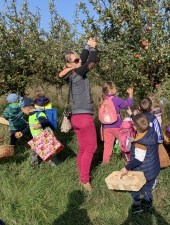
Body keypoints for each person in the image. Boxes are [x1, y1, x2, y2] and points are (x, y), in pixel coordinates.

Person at [59, 37, 98, 191]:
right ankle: (85, 180)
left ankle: (81, 177)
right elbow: (91, 62)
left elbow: (82, 59)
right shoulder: (78, 73)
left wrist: (87, 45)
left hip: (76, 117)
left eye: (77, 59)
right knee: (91, 148)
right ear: (69, 64)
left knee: (82, 149)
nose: (78, 61)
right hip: (83, 118)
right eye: (75, 60)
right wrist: (93, 48)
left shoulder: (73, 72)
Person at [120, 113, 160, 213]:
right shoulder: (152, 132)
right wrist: (133, 116)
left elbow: (138, 160)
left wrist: (127, 167)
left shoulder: (140, 143)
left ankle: (137, 206)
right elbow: (142, 123)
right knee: (147, 188)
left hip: (143, 171)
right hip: (153, 168)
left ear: (135, 127)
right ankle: (149, 204)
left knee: (135, 187)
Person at [127, 98, 163, 189]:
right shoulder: (153, 119)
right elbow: (158, 131)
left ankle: (143, 181)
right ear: (151, 108)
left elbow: (136, 120)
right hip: (152, 141)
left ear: (139, 107)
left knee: (142, 159)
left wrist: (131, 115)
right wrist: (159, 142)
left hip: (142, 140)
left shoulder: (139, 118)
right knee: (152, 159)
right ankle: (153, 182)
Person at [14, 97, 59, 167]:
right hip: (37, 138)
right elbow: (29, 127)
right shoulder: (30, 116)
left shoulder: (39, 114)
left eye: (22, 109)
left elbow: (45, 122)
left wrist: (40, 125)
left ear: (27, 108)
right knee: (34, 153)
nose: (22, 111)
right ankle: (34, 165)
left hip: (44, 138)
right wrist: (22, 132)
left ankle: (56, 166)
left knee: (50, 154)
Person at [100, 81, 133, 164]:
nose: (116, 89)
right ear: (111, 90)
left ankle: (105, 163)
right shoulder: (115, 100)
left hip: (106, 127)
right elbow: (128, 105)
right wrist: (130, 95)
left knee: (107, 146)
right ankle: (126, 161)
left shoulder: (102, 100)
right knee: (124, 142)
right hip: (117, 126)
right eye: (114, 87)